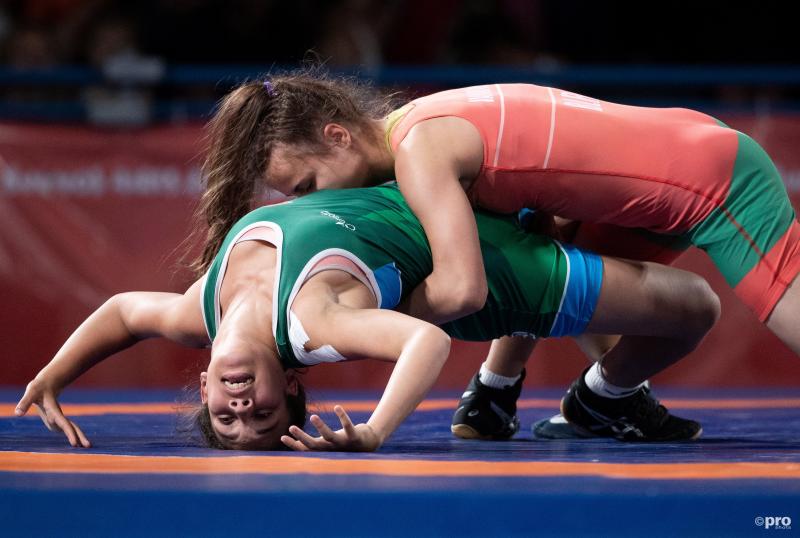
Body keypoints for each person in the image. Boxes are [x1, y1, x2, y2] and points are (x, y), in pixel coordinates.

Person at [196, 71, 799, 440]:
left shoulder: (419, 155)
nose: (312, 205)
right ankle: (565, 397)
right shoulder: (422, 122)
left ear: (336, 135)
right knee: (548, 254)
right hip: (674, 157)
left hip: (719, 177)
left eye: (306, 187)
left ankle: (548, 394)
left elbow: (463, 293)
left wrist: (338, 322)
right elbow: (533, 232)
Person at [16, 183, 719, 450]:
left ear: (201, 385)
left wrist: (52, 378)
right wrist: (376, 432)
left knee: (652, 201)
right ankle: (604, 399)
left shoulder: (194, 311)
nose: (240, 408)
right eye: (261, 417)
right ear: (292, 386)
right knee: (694, 303)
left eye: (227, 417)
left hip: (451, 195)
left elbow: (119, 312)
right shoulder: (313, 324)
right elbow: (424, 342)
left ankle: (502, 392)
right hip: (499, 264)